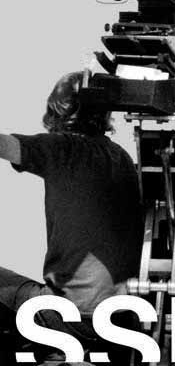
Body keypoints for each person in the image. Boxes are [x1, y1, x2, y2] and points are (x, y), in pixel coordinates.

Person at [0, 71, 143, 364]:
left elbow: (5, 146)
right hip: (121, 318)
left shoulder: (62, 148)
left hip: (70, 316)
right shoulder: (121, 157)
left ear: (59, 109)